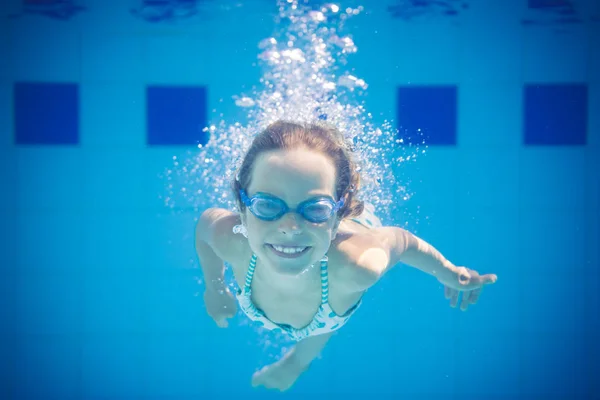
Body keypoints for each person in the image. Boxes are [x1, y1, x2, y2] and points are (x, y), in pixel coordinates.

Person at [195, 120, 498, 392]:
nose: (289, 227)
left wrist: (448, 271)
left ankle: (295, 364)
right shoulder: (230, 238)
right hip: (324, 270)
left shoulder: (356, 266)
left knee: (333, 295)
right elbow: (204, 227)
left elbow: (402, 241)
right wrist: (215, 287)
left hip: (355, 239)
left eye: (315, 208)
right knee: (329, 300)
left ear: (338, 214)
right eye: (267, 205)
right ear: (243, 208)